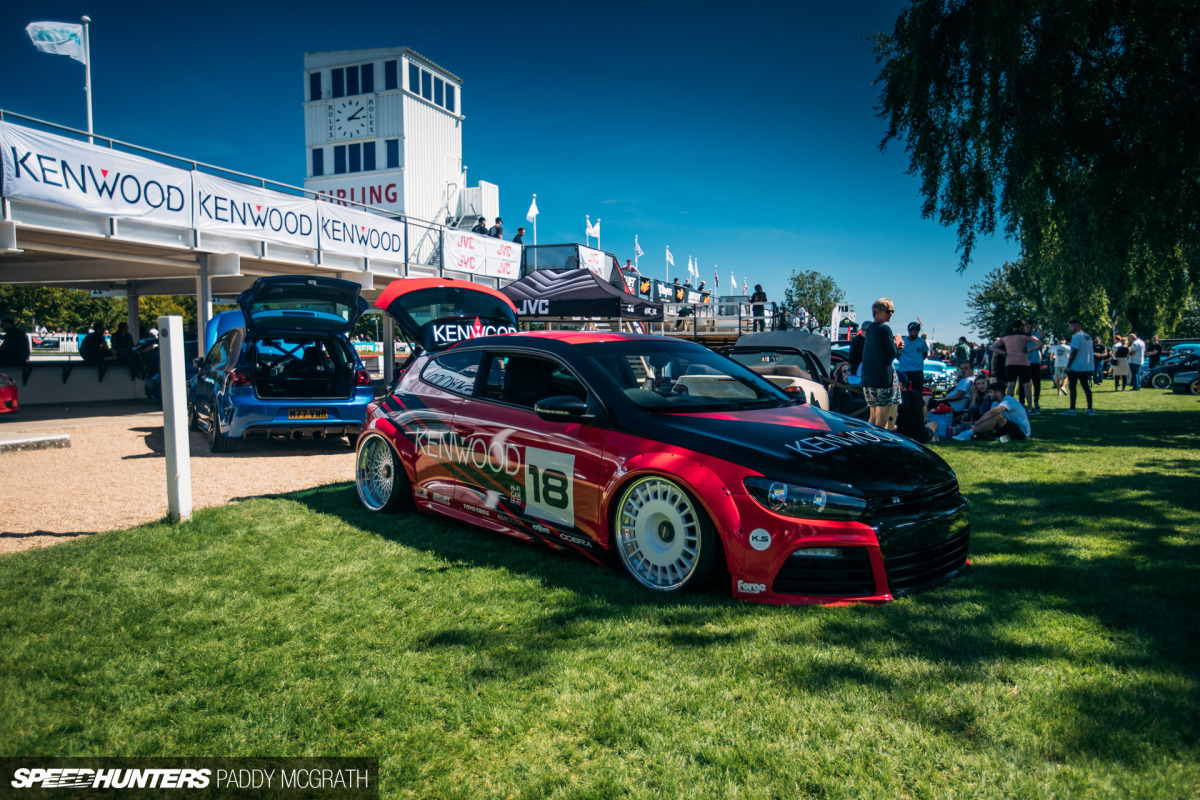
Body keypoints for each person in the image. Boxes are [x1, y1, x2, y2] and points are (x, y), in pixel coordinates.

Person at [861, 297, 899, 428]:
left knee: (872, 416)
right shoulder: (884, 329)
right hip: (882, 379)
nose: (891, 314)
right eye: (889, 311)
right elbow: (892, 353)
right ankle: (877, 445)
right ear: (878, 311)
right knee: (882, 419)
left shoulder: (870, 329)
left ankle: (868, 442)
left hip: (868, 379)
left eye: (892, 311)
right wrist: (898, 345)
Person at [990, 320, 1040, 410]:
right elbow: (1040, 343)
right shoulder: (1025, 335)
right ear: (1021, 327)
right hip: (1023, 362)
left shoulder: (1005, 336)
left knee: (1011, 385)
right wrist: (1030, 349)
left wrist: (1003, 352)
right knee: (1027, 386)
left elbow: (993, 347)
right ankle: (1030, 408)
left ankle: (1007, 406)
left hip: (1010, 363)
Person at [964, 381, 1032, 441]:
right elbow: (989, 419)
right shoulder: (995, 403)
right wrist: (968, 423)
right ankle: (970, 432)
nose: (989, 394)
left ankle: (970, 433)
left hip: (1021, 431)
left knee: (997, 417)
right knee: (989, 424)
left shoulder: (1009, 401)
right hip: (1006, 427)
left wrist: (976, 424)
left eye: (990, 392)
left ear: (998, 393)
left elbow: (993, 413)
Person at [1061, 320, 1095, 416]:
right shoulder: (1087, 336)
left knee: (1073, 388)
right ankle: (1090, 409)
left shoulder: (1076, 336)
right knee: (1086, 387)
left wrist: (1068, 366)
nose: (1070, 328)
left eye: (1071, 326)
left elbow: (1074, 352)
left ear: (1077, 326)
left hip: (1076, 366)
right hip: (1086, 366)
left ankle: (1072, 409)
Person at [896, 322, 929, 393]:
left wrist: (917, 361)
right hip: (904, 370)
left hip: (917, 370)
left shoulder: (922, 341)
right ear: (909, 331)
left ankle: (916, 404)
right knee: (903, 392)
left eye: (917, 331)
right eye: (913, 331)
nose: (915, 333)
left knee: (917, 392)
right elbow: (897, 354)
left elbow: (925, 354)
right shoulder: (903, 341)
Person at [1024, 320, 1045, 413]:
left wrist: (1036, 326)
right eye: (1027, 327)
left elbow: (1043, 336)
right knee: (1024, 382)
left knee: (1037, 382)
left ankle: (1036, 400)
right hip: (1024, 361)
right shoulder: (1022, 335)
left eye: (1030, 327)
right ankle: (1023, 401)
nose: (1028, 329)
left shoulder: (1035, 334)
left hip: (1035, 360)